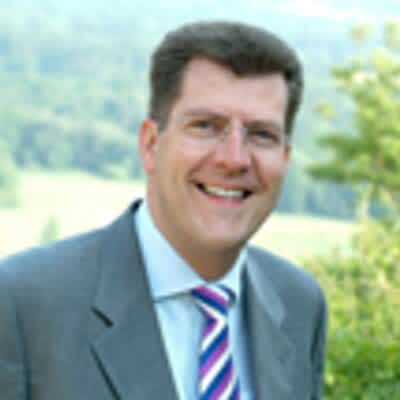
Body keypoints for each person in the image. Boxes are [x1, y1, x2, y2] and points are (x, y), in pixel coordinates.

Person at [0, 21, 327, 400]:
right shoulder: (22, 303)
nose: (234, 159)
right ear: (151, 144)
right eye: (205, 126)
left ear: (284, 158)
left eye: (261, 135)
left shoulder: (299, 304)